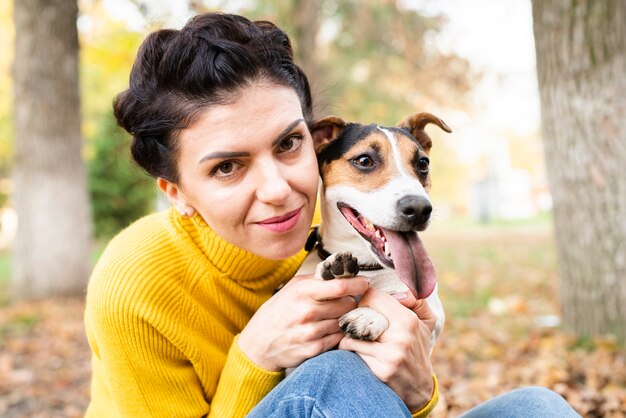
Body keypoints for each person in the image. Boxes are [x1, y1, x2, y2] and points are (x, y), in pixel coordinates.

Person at [84, 12, 581, 418]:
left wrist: (417, 390)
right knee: (333, 377)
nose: (279, 190)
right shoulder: (135, 283)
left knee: (537, 407)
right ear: (177, 192)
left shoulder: (346, 245)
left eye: (288, 143)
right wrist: (255, 357)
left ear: (317, 141)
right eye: (227, 167)